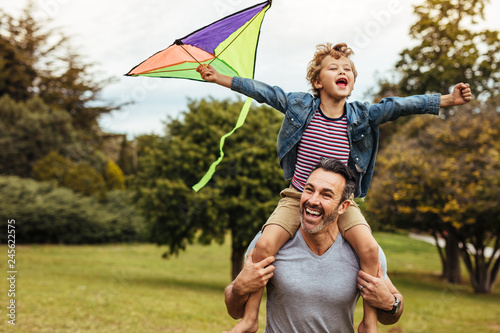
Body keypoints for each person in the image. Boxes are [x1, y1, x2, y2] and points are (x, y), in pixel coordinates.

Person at [197, 42, 472, 333]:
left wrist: (446, 100)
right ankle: (250, 320)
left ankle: (367, 323)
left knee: (369, 250)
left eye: (348, 70)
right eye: (333, 68)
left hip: (344, 201)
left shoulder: (362, 115)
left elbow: (399, 106)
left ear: (351, 82)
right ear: (318, 81)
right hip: (297, 195)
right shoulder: (300, 106)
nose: (343, 72)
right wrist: (220, 78)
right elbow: (265, 92)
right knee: (264, 246)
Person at [224, 158, 404, 332]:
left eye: (326, 195)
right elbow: (235, 311)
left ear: (343, 207)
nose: (313, 201)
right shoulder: (270, 242)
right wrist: (239, 288)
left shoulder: (362, 250)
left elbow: (391, 314)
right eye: (309, 190)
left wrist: (390, 303)